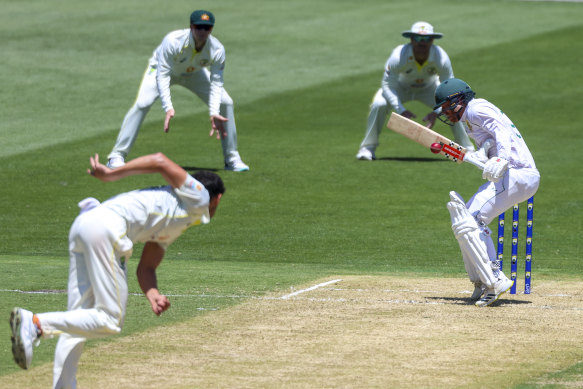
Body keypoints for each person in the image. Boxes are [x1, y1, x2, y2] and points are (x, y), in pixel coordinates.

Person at [9, 152, 225, 387]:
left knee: (79, 318)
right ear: (218, 198)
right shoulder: (200, 196)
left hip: (86, 225)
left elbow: (147, 267)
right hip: (107, 229)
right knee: (111, 319)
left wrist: (153, 294)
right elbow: (160, 161)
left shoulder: (176, 216)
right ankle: (36, 323)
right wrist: (111, 174)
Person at [435, 78, 540, 307]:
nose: (445, 112)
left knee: (472, 220)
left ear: (458, 100)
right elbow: (489, 141)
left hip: (518, 172)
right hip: (513, 174)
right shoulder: (469, 119)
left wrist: (501, 157)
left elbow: (500, 130)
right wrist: (482, 155)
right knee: (464, 220)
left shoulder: (476, 108)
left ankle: (496, 278)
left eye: (446, 106)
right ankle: (483, 281)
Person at [106, 10, 249, 172]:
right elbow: (163, 75)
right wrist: (168, 107)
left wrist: (213, 111)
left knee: (226, 102)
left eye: (207, 28)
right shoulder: (173, 41)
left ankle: (231, 158)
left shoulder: (217, 49)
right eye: (199, 27)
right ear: (191, 27)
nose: (202, 31)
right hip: (161, 71)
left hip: (195, 73)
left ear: (211, 30)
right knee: (142, 103)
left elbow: (217, 83)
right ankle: (117, 155)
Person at [356, 21, 474, 161]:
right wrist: (400, 110)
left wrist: (437, 112)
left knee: (454, 106)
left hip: (430, 88)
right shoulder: (398, 56)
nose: (422, 43)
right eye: (418, 38)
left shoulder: (441, 57)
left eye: (427, 39)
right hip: (401, 87)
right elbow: (387, 85)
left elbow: (449, 87)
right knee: (379, 104)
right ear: (411, 39)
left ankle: (469, 150)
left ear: (432, 41)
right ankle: (367, 148)